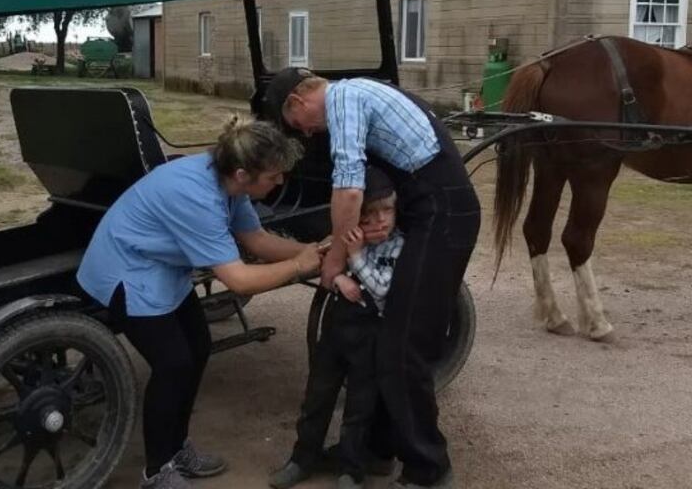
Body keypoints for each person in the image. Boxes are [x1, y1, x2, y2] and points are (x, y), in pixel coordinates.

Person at [76, 116, 324, 489]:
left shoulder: (231, 184)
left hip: (162, 268)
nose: (280, 181)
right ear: (243, 174)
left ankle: (177, 449)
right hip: (127, 271)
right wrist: (298, 267)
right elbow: (238, 278)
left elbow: (255, 239)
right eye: (274, 175)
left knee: (199, 347)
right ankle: (156, 471)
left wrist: (310, 250)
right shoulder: (196, 196)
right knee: (173, 363)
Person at [263, 68, 481, 488]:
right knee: (388, 339)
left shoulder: (342, 101)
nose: (307, 133)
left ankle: (430, 469)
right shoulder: (360, 92)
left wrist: (335, 263)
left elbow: (348, 190)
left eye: (298, 126)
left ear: (296, 102)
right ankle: (378, 449)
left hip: (443, 214)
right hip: (428, 208)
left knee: (404, 347)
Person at [270, 166, 404, 489]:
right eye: (370, 215)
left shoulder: (397, 246)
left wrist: (356, 259)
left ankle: (351, 470)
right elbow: (328, 266)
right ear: (357, 218)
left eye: (387, 211)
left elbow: (383, 290)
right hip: (336, 331)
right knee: (317, 397)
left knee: (360, 407)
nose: (380, 221)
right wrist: (340, 276)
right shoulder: (346, 239)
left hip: (370, 336)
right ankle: (302, 459)